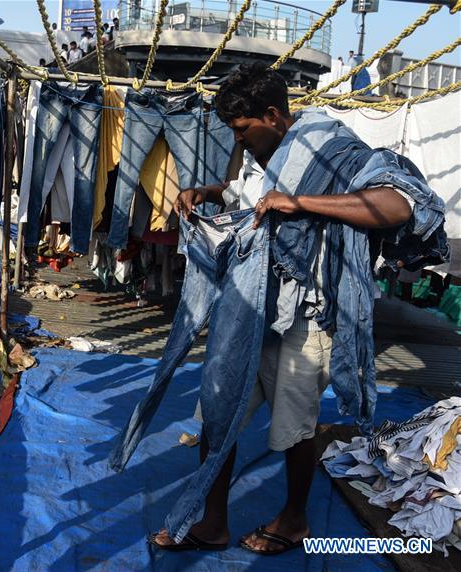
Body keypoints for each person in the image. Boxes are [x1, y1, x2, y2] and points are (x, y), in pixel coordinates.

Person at [152, 62, 423, 554]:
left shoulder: (334, 148)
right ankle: (213, 522)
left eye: (242, 130)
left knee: (294, 424)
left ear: (273, 115)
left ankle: (295, 518)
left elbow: (399, 204)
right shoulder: (264, 153)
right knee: (218, 411)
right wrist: (209, 193)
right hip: (249, 309)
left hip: (305, 317)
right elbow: (248, 195)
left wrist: (302, 203)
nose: (238, 142)